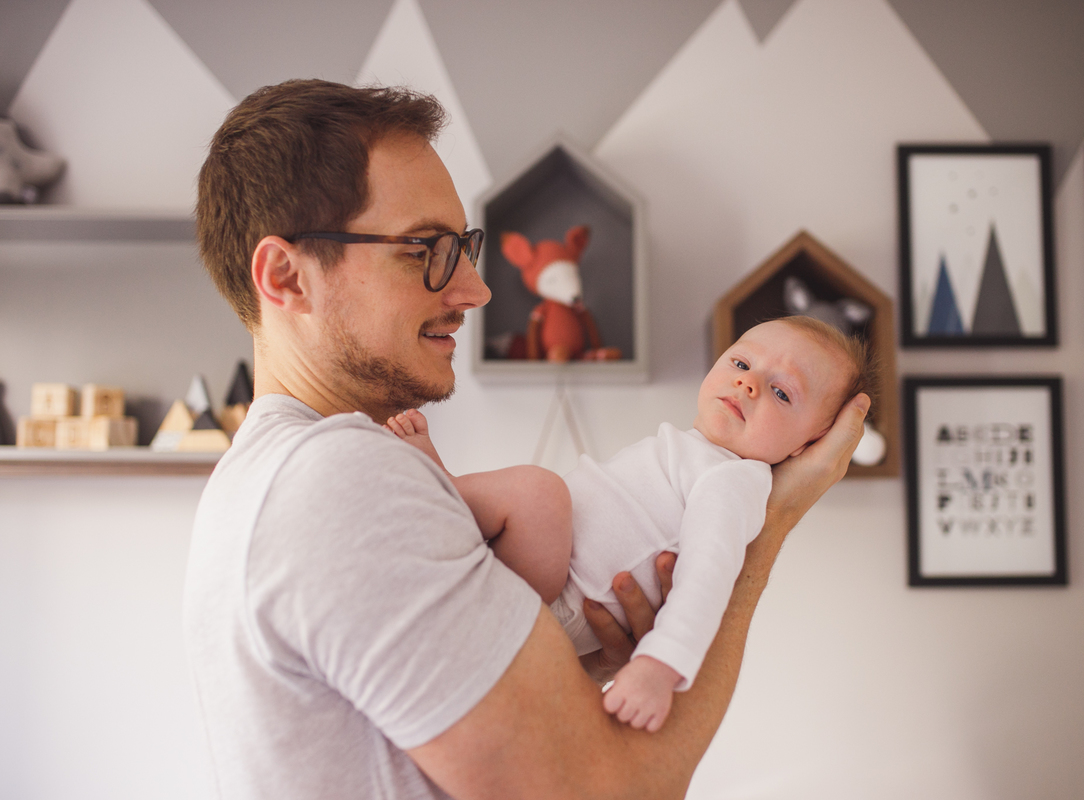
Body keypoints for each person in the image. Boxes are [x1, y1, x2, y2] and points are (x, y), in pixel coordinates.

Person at [184, 78, 869, 800]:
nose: (476, 291)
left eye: (464, 247)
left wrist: (565, 669)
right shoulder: (338, 480)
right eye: (425, 249)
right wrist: (768, 530)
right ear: (286, 277)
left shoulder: (269, 475)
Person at [387, 315, 875, 732]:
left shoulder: (732, 480)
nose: (748, 384)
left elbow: (707, 578)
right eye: (742, 364)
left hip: (558, 599)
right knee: (538, 495)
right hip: (536, 576)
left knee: (539, 491)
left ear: (805, 447)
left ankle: (443, 491)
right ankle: (448, 497)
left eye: (782, 393)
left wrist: (659, 665)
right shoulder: (697, 453)